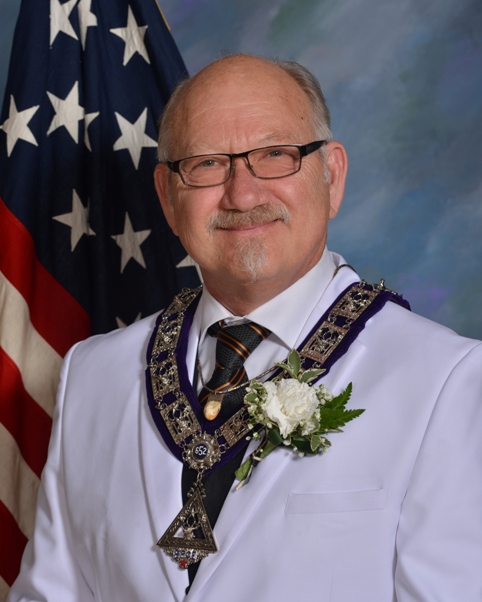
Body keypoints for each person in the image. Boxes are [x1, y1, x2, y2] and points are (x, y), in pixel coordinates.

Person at [8, 54, 482, 602]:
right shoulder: (93, 374)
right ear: (167, 196)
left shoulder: (446, 381)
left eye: (275, 155)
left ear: (331, 176)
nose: (243, 194)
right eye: (208, 163)